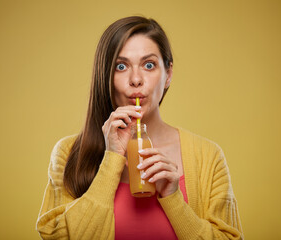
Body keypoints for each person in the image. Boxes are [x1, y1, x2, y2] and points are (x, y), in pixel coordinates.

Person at [36, 16, 244, 240]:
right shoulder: (68, 154)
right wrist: (111, 159)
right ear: (105, 75)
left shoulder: (208, 156)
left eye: (148, 65)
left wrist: (174, 200)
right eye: (121, 66)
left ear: (168, 75)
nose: (136, 79)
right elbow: (57, 236)